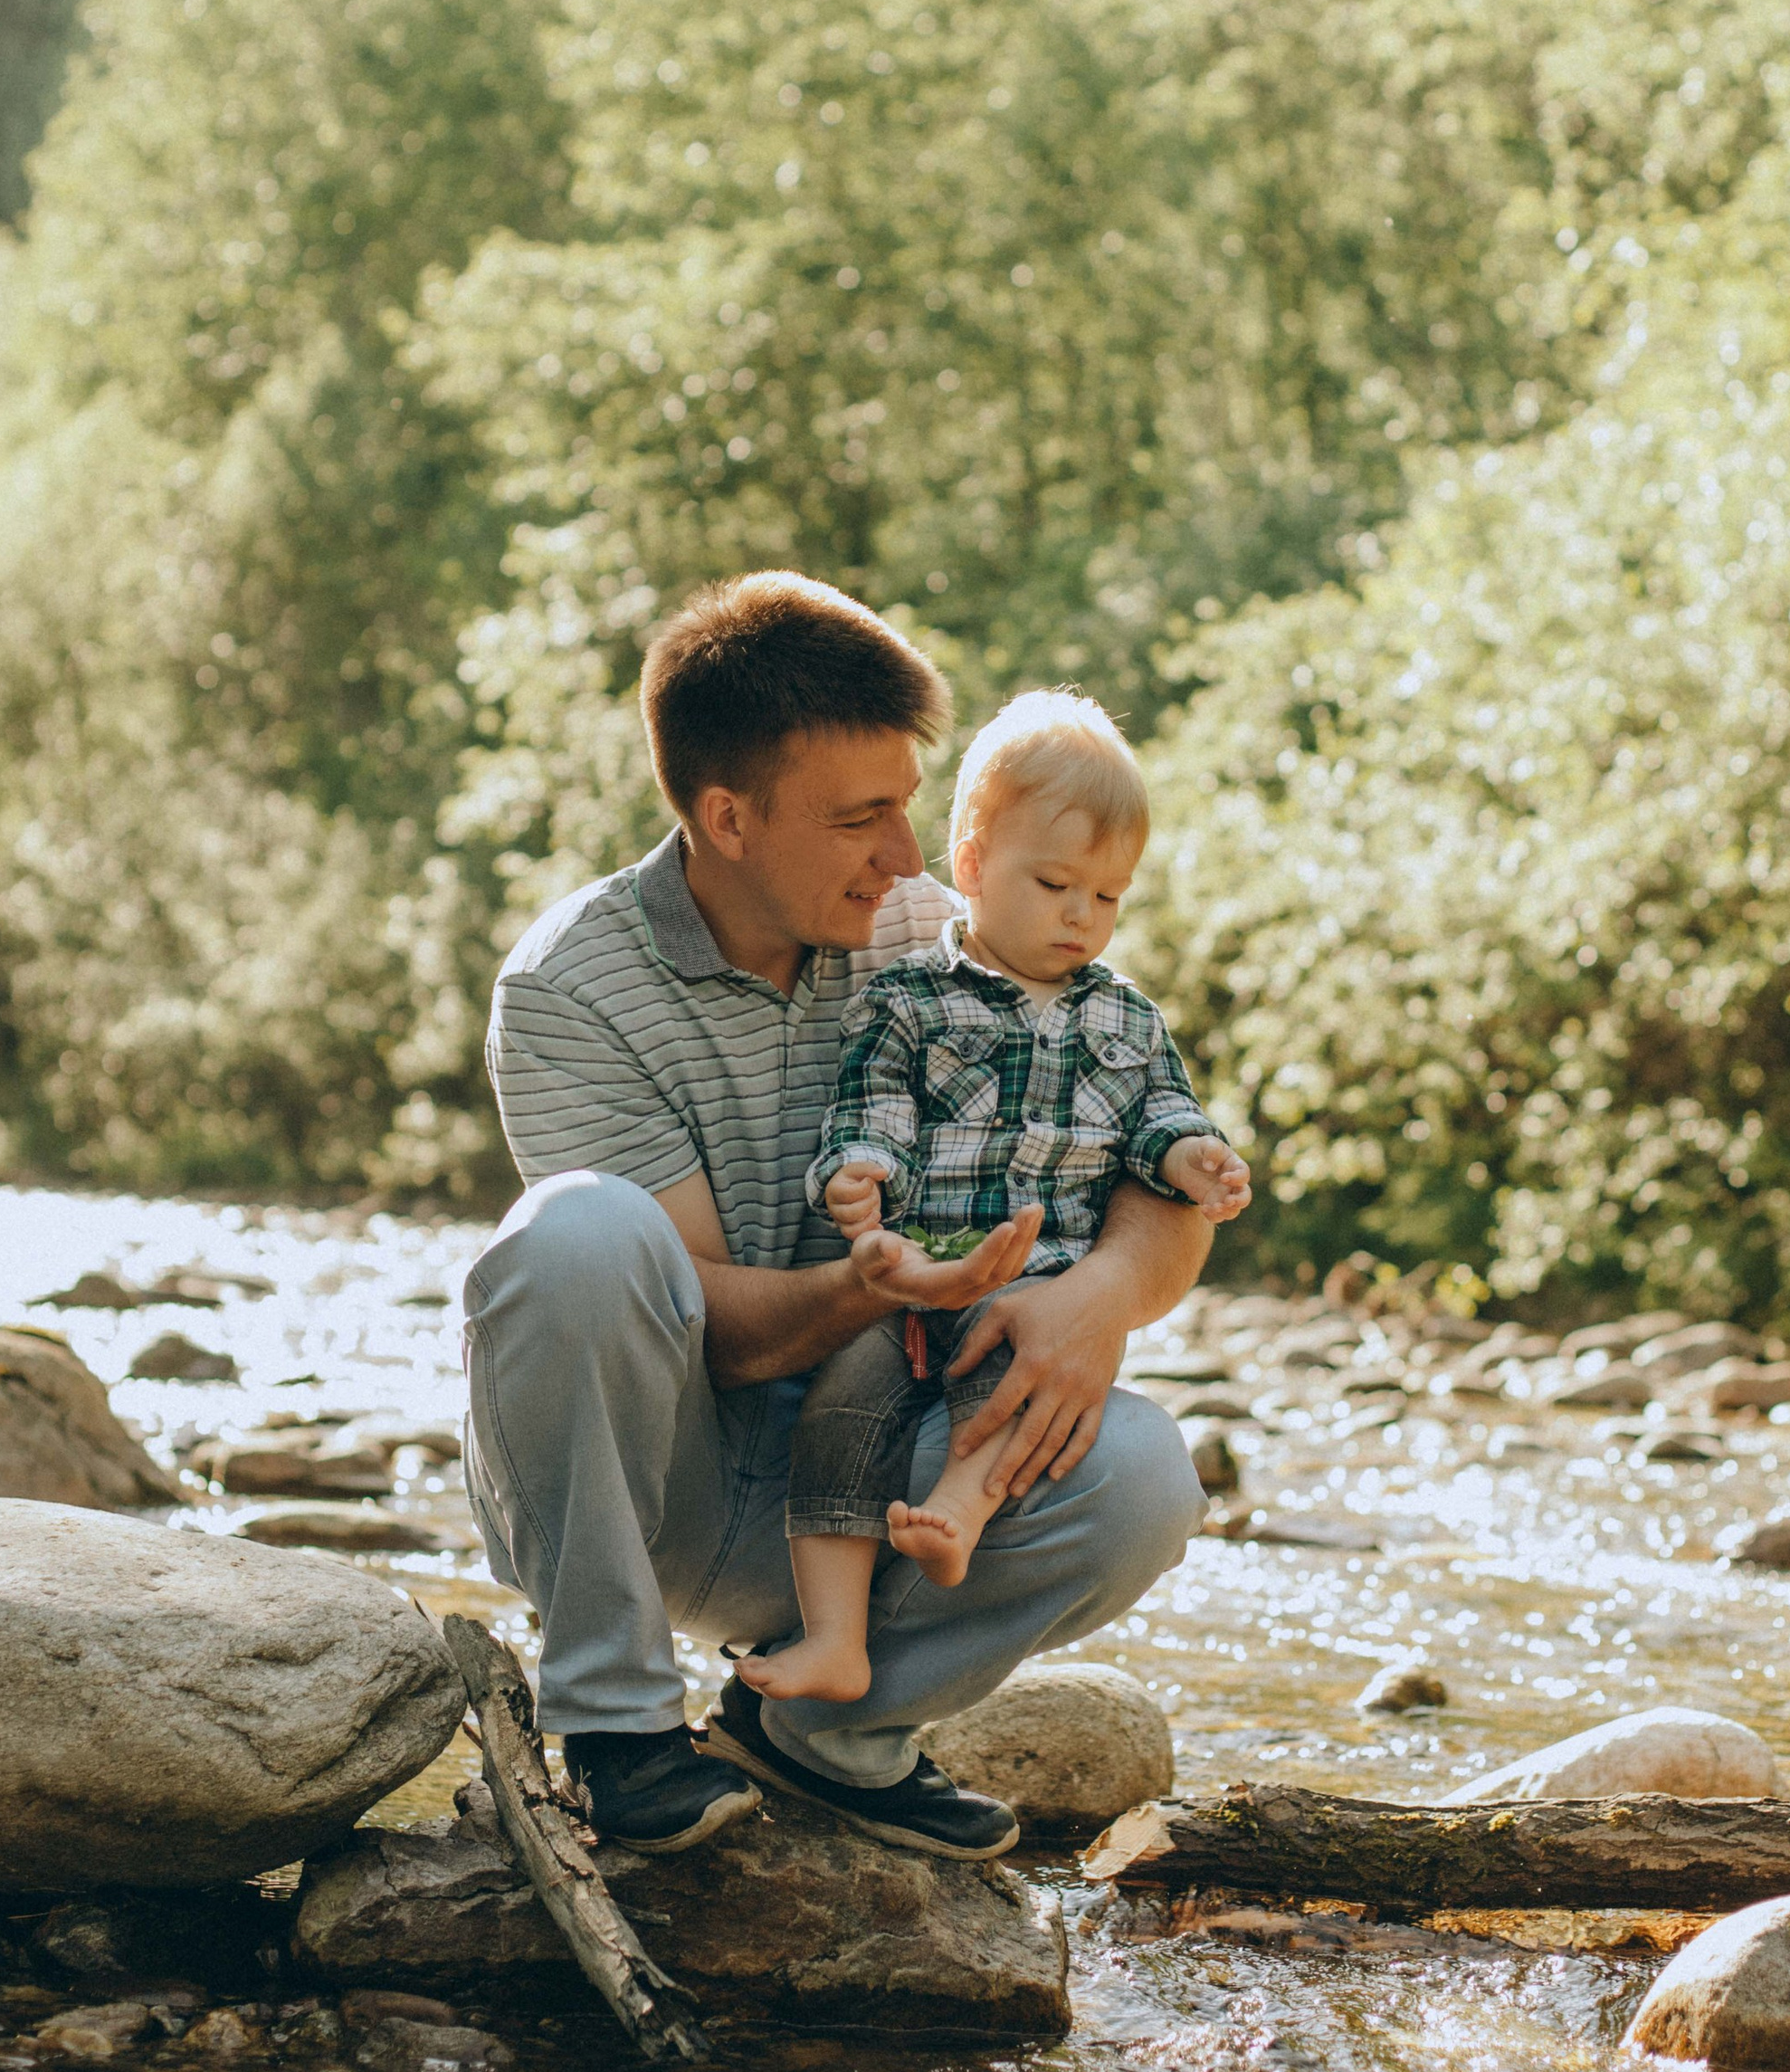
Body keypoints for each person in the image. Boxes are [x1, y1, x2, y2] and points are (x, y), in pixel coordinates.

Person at [464, 571, 1212, 1864]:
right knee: (577, 1233)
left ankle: (824, 1735)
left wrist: (1100, 1298)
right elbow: (711, 1329)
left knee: (1145, 1478)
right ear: (728, 818)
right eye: (861, 818)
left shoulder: (939, 932)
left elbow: (1157, 1161)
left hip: (883, 1487)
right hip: (660, 1489)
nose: (908, 857)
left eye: (908, 806)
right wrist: (875, 1286)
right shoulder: (567, 991)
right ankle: (617, 1725)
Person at [739, 689, 1250, 1706]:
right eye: (1054, 883)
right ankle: (833, 1637)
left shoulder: (1128, 1020)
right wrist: (857, 1173)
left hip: (1038, 1286)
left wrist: (1194, 1155)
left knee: (1017, 1396)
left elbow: (1158, 1117)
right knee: (840, 1411)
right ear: (971, 866)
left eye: (1107, 896)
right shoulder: (907, 1001)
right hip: (911, 1276)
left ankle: (959, 1517)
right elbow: (873, 1106)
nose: (1080, 915)